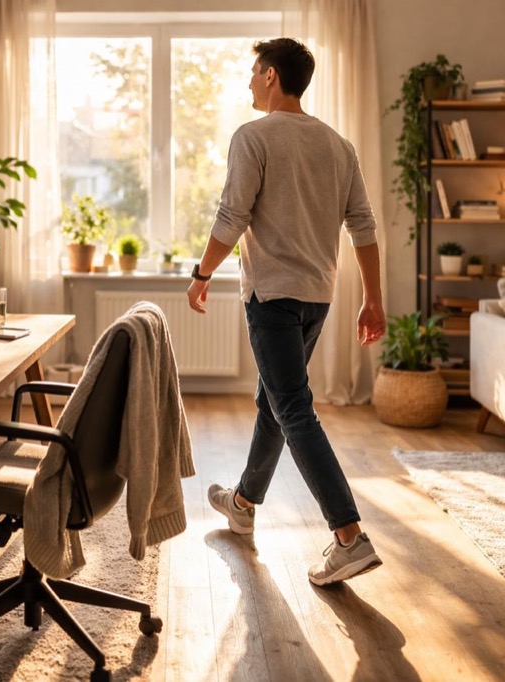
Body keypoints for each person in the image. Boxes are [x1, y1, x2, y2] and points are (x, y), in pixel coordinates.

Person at [186, 37, 386, 586]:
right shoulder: (338, 145)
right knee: (274, 401)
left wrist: (201, 274)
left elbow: (232, 215)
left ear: (272, 75)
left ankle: (349, 537)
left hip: (272, 296)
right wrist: (373, 298)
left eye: (254, 72)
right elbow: (363, 226)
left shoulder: (253, 136)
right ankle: (244, 504)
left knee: (292, 407)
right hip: (318, 296)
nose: (250, 82)